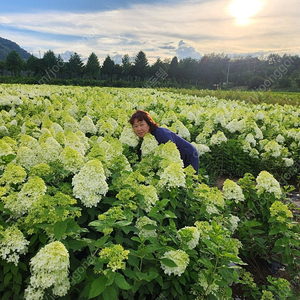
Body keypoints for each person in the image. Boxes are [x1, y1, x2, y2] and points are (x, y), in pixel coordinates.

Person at [129, 110, 199, 175]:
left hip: (189, 155)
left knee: (190, 182)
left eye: (141, 124)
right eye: (135, 126)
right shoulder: (143, 138)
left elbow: (171, 152)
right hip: (176, 159)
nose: (139, 129)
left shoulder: (161, 134)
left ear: (149, 123)